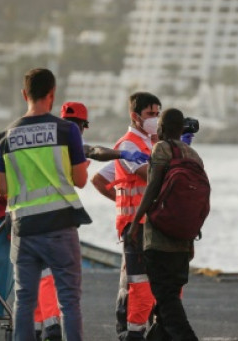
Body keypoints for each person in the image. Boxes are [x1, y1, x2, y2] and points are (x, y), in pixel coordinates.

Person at [29, 102, 150, 341]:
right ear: (83, 126)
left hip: (26, 218)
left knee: (35, 275)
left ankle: (37, 328)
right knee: (58, 276)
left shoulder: (46, 139)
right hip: (55, 219)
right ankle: (52, 329)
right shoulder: (70, 140)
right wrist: (122, 153)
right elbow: (94, 151)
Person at [0, 68, 90, 341]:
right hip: (60, 225)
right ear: (52, 94)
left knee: (24, 301)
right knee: (69, 301)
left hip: (24, 228)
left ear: (24, 94)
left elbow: (2, 189)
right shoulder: (67, 130)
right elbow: (81, 180)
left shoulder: (6, 137)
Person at [128, 108, 199, 341]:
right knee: (167, 301)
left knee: (165, 298)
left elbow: (152, 186)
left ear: (160, 129)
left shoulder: (161, 148)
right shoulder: (192, 155)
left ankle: (187, 338)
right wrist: (191, 236)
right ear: (181, 129)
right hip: (183, 239)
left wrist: (136, 221)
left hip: (159, 238)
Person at [109, 92, 160, 340]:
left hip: (153, 225)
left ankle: (144, 330)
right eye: (151, 114)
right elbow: (149, 176)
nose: (155, 118)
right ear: (135, 116)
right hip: (136, 226)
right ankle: (132, 333)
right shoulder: (128, 145)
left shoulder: (152, 143)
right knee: (138, 285)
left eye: (158, 114)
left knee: (151, 285)